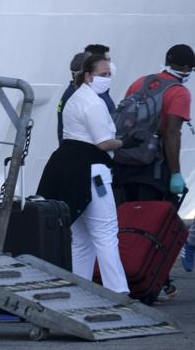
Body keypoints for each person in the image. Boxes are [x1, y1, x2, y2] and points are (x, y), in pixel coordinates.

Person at [36, 54, 128, 293]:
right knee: (106, 233)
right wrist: (125, 141)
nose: (107, 79)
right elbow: (103, 143)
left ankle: (79, 290)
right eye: (102, 74)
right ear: (88, 76)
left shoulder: (74, 98)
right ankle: (118, 292)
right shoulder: (94, 103)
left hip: (67, 168)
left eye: (109, 74)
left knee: (81, 238)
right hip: (92, 171)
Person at [114, 43, 193, 300]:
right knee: (154, 225)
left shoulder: (140, 82)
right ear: (186, 68)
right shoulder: (178, 92)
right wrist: (176, 173)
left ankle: (124, 274)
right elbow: (171, 133)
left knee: (125, 222)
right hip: (154, 167)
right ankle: (153, 281)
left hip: (126, 162)